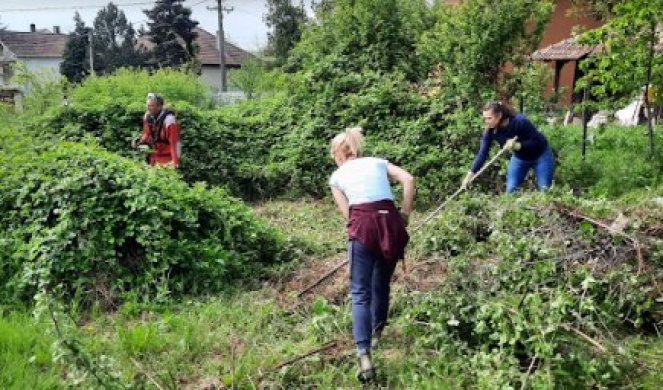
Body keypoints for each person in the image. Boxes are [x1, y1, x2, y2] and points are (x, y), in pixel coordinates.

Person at [328, 127, 415, 382]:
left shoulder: (336, 177)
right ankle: (377, 335)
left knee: (360, 292)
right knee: (381, 285)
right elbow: (408, 179)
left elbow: (349, 215)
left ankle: (364, 354)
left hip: (363, 225)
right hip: (392, 224)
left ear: (338, 154)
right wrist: (405, 214)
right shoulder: (377, 162)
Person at [462, 101, 554, 193]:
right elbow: (482, 154)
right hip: (520, 158)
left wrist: (518, 146)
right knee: (510, 191)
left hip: (541, 155)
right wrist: (470, 175)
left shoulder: (520, 121)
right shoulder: (490, 131)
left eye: (489, 118)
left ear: (499, 116)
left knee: (544, 190)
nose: (486, 121)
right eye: (485, 118)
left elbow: (537, 142)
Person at [132, 93, 181, 168]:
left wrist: (175, 162)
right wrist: (139, 141)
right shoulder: (147, 116)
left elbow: (174, 143)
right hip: (153, 156)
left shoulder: (169, 121)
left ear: (160, 106)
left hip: (167, 158)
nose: (148, 108)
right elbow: (147, 133)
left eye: (151, 106)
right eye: (148, 106)